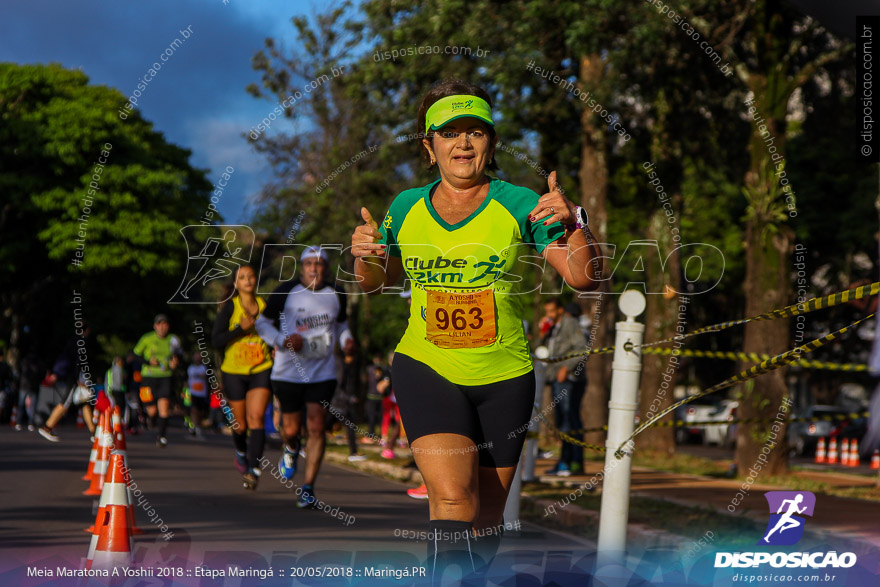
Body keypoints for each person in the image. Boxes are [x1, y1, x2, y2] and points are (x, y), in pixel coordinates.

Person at [350, 80, 602, 583]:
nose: (463, 143)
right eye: (449, 133)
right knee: (451, 496)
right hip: (427, 364)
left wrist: (576, 221)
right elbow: (378, 282)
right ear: (430, 146)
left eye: (475, 132)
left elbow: (583, 277)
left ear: (490, 143)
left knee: (486, 519)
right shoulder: (404, 206)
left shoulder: (522, 202)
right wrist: (365, 255)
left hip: (504, 375)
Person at [255, 246, 355, 508]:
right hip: (287, 372)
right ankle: (290, 448)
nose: (314, 268)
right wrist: (282, 340)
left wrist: (347, 341)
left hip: (322, 373)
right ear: (301, 266)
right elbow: (261, 323)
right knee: (290, 429)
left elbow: (342, 324)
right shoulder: (284, 293)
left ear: (326, 267)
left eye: (319, 263)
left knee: (316, 427)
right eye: (309, 263)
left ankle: (308, 487)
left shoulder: (336, 294)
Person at [212, 265, 274, 489]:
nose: (247, 280)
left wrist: (276, 345)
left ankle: (254, 469)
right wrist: (240, 328)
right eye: (242, 277)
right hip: (234, 370)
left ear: (255, 280)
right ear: (236, 284)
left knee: (257, 417)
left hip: (261, 367)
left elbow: (275, 333)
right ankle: (240, 451)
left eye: (251, 276)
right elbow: (216, 340)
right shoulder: (230, 308)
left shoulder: (266, 306)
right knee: (240, 426)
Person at [542, 298, 588, 477]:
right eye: (547, 311)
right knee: (563, 421)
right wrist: (543, 332)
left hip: (568, 379)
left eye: (552, 311)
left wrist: (565, 368)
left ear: (560, 310)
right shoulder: (552, 326)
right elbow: (544, 349)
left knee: (569, 420)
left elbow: (581, 348)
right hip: (555, 378)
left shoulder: (570, 323)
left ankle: (570, 463)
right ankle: (565, 462)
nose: (549, 315)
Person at [38, 326, 99, 442]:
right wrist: (80, 378)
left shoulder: (72, 341)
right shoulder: (79, 343)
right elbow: (77, 363)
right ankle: (48, 427)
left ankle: (93, 431)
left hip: (73, 377)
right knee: (65, 402)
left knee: (84, 403)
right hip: (74, 379)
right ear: (85, 330)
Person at [133, 314, 183, 447]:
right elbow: (133, 356)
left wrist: (175, 363)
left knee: (164, 409)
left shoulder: (173, 340)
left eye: (165, 324)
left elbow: (179, 355)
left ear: (168, 326)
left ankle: (162, 437)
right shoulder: (147, 338)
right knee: (152, 410)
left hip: (165, 377)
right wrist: (148, 361)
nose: (162, 327)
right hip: (148, 378)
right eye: (159, 324)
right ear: (155, 326)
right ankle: (150, 419)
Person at [15, 351, 43, 431]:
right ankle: (31, 423)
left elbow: (19, 373)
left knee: (21, 404)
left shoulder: (23, 362)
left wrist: (18, 382)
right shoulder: (38, 362)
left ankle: (18, 422)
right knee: (33, 405)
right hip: (34, 386)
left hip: (24, 385)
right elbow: (42, 373)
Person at [186, 352, 210, 440]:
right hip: (193, 392)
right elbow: (188, 380)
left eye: (198, 357)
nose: (197, 359)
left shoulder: (203, 368)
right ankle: (193, 426)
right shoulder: (190, 368)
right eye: (195, 357)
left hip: (202, 393)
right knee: (193, 409)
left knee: (200, 411)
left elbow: (206, 377)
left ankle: (198, 425)